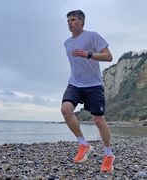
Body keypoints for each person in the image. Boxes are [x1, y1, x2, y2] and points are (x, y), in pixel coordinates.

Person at [61, 10, 114, 173]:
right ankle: (84, 144)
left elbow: (109, 57)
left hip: (94, 85)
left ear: (82, 22)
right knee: (66, 110)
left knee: (98, 121)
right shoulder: (67, 43)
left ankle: (108, 154)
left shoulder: (93, 36)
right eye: (68, 20)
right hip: (75, 84)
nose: (70, 22)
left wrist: (88, 54)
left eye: (74, 19)